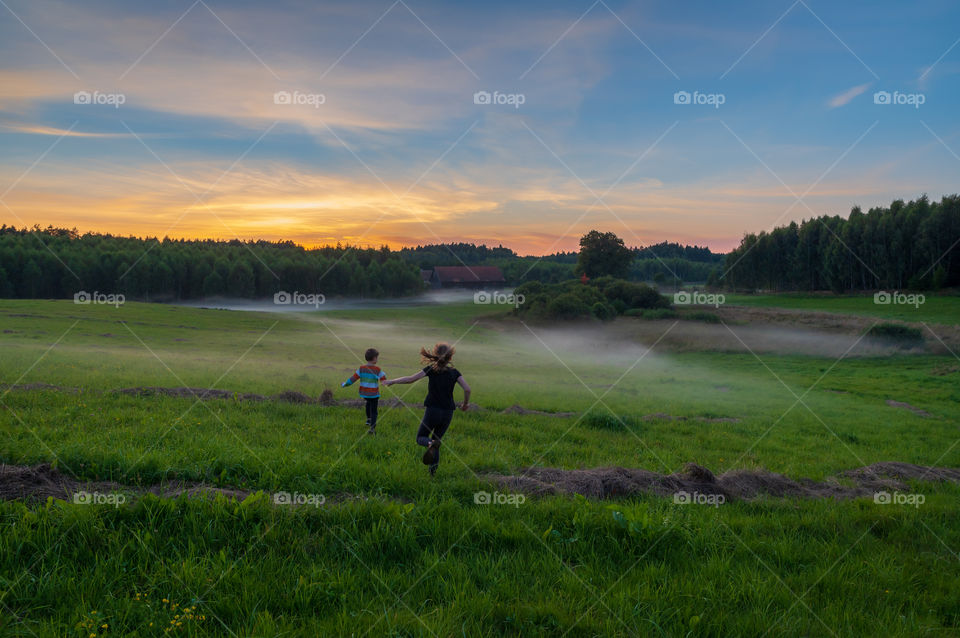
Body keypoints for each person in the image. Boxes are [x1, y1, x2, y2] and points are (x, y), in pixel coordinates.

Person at [383, 342, 470, 475]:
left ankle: (430, 443)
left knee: (421, 438)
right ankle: (432, 474)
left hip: (433, 410)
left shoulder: (431, 369)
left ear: (435, 355)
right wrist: (464, 404)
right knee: (437, 441)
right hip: (448, 412)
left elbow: (411, 379)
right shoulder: (455, 372)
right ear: (450, 357)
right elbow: (467, 389)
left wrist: (393, 381)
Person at [341, 347, 386, 435]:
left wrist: (345, 384)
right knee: (374, 411)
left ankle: (368, 419)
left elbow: (353, 378)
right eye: (377, 357)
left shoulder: (361, 369)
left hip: (365, 394)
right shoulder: (377, 370)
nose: (377, 359)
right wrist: (385, 381)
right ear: (374, 359)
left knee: (368, 403)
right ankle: (372, 428)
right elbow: (383, 378)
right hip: (374, 394)